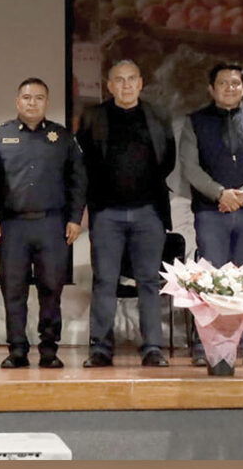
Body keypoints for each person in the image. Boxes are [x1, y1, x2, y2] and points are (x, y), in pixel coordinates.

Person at [179, 62, 243, 367]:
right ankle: (206, 346)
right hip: (211, 211)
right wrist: (219, 194)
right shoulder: (195, 122)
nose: (230, 88)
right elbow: (190, 166)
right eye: (223, 83)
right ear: (211, 89)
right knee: (210, 279)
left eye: (235, 83)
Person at [76, 59, 175, 368]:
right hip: (107, 213)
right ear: (110, 85)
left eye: (132, 78)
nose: (126, 85)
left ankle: (153, 348)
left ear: (141, 83)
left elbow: (168, 160)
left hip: (149, 212)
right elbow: (83, 163)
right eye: (119, 80)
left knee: (149, 281)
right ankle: (101, 348)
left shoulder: (158, 115)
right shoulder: (93, 116)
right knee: (104, 281)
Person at [0, 77, 87, 369]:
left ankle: (49, 350)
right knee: (13, 290)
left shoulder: (62, 137)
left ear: (47, 102)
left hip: (51, 225)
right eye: (27, 98)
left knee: (51, 290)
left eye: (39, 98)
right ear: (18, 101)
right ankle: (17, 349)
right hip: (12, 226)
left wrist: (75, 219)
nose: (33, 103)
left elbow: (78, 181)